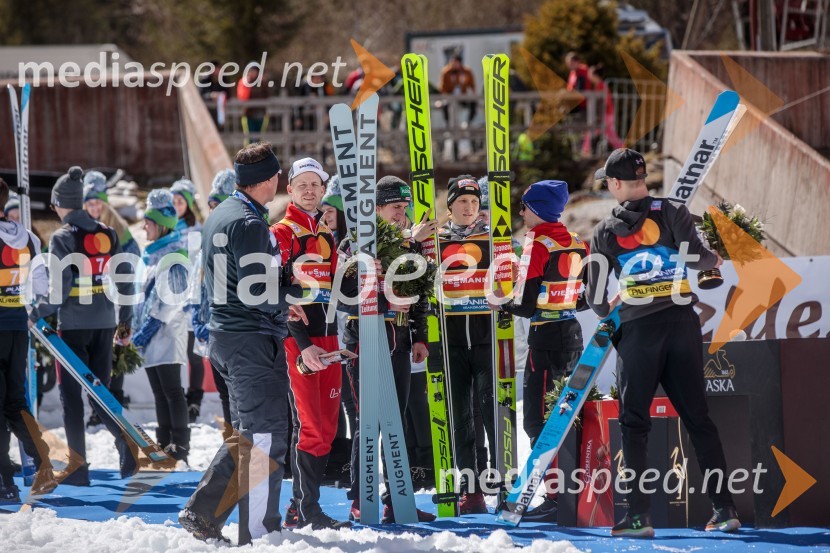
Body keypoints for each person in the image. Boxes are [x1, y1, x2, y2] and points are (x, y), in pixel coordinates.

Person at [586, 148, 740, 537]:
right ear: (643, 179)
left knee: (634, 423)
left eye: (608, 183)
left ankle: (638, 517)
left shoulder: (604, 232)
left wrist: (614, 303)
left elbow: (595, 301)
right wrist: (715, 260)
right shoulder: (672, 210)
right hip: (682, 326)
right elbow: (699, 259)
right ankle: (725, 510)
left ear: (616, 184)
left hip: (639, 333)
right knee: (698, 420)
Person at [179, 142, 297, 545]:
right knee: (264, 436)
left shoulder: (222, 214)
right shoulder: (247, 222)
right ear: (267, 180)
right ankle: (260, 530)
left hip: (228, 336)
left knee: (249, 432)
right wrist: (291, 292)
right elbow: (257, 291)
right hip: (250, 338)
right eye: (277, 175)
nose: (279, 180)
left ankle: (202, 512)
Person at [338, 175, 437, 523]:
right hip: (363, 342)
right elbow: (344, 298)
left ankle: (397, 501)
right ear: (377, 209)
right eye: (396, 207)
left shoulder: (410, 244)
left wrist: (421, 336)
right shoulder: (356, 243)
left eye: (405, 207)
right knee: (369, 424)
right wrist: (385, 302)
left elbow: (421, 292)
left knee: (398, 424)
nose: (402, 213)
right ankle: (359, 499)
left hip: (400, 341)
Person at [29, 166, 137, 486]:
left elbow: (58, 292)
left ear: (63, 203)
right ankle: (127, 446)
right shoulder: (107, 232)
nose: (55, 211)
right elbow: (125, 281)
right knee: (100, 394)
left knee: (71, 397)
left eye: (54, 205)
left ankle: (77, 468)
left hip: (72, 328)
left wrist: (35, 313)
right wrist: (125, 319)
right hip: (105, 323)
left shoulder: (62, 238)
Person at [491, 179, 589, 522]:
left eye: (525, 207)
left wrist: (500, 302)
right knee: (567, 415)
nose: (521, 212)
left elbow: (525, 303)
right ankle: (573, 494)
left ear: (538, 209)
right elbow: (586, 298)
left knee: (538, 420)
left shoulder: (537, 244)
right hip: (572, 333)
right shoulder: (578, 242)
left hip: (546, 338)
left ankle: (555, 498)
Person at [270, 157, 351, 530]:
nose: (308, 190)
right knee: (311, 426)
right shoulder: (282, 232)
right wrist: (302, 344)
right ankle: (306, 510)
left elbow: (337, 290)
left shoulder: (326, 234)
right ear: (290, 190)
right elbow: (279, 293)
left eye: (314, 185)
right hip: (299, 342)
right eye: (301, 184)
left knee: (328, 427)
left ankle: (302, 508)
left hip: (329, 336)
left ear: (323, 191)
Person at [437, 175, 495, 514]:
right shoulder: (436, 240)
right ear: (451, 205)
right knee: (460, 419)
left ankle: (497, 484)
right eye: (462, 201)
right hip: (452, 342)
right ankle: (470, 489)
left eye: (473, 202)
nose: (469, 207)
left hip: (487, 340)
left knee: (491, 412)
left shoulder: (492, 240)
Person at [0, 178, 57, 501]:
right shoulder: (29, 239)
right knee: (15, 400)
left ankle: (5, 479)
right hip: (18, 325)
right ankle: (42, 460)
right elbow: (41, 287)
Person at [131, 189, 190, 462]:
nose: (144, 227)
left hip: (167, 333)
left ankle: (180, 443)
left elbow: (172, 300)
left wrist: (147, 330)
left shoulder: (175, 255)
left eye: (149, 221)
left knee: (172, 390)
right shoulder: (151, 255)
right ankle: (164, 439)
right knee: (158, 391)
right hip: (153, 336)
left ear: (162, 224)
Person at [82, 170, 137, 421]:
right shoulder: (81, 228)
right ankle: (97, 404)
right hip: (92, 298)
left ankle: (114, 396)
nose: (94, 208)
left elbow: (132, 259)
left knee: (115, 349)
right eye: (89, 203)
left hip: (115, 295)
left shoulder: (118, 229)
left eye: (98, 202)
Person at [191, 169, 237, 439]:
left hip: (236, 333)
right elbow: (200, 288)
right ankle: (231, 448)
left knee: (238, 396)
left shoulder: (241, 237)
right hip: (214, 332)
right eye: (210, 207)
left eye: (218, 206)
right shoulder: (208, 241)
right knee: (224, 395)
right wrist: (199, 320)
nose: (214, 213)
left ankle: (242, 452)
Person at [319, 177, 355, 439]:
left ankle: (354, 456)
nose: (325, 215)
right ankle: (342, 456)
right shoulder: (325, 241)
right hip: (331, 329)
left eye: (330, 210)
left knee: (352, 400)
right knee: (337, 398)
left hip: (351, 331)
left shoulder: (354, 244)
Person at [169, 178, 207, 424]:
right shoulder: (168, 228)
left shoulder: (198, 230)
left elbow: (201, 264)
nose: (176, 206)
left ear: (189, 203)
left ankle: (195, 400)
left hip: (192, 297)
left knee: (194, 353)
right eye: (173, 201)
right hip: (171, 298)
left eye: (180, 201)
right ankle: (177, 397)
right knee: (175, 352)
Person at [581, 64, 623, 156]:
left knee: (593, 132)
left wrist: (599, 115)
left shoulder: (601, 86)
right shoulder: (600, 85)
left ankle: (585, 150)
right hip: (607, 114)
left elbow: (604, 102)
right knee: (611, 135)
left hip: (605, 114)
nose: (589, 76)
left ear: (595, 75)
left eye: (590, 74)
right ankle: (622, 150)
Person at [236, 64, 270, 146]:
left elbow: (267, 95)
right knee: (249, 136)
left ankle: (259, 154)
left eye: (255, 71)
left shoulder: (262, 82)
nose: (253, 73)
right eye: (251, 71)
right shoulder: (245, 82)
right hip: (248, 114)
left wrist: (264, 82)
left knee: (259, 137)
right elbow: (242, 96)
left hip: (260, 113)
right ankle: (248, 155)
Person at [439, 54, 476, 125]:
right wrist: (444, 97)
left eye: (456, 63)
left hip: (462, 95)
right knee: (445, 107)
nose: (454, 65)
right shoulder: (445, 72)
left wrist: (473, 94)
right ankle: (448, 125)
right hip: (450, 96)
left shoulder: (466, 71)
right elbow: (442, 87)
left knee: (473, 104)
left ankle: (468, 123)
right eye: (452, 63)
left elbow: (472, 84)